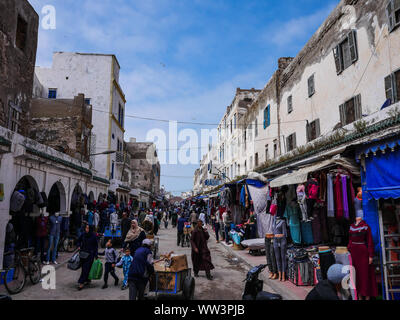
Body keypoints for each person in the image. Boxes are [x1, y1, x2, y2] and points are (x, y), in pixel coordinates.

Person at [76, 224, 98, 291]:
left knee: (86, 268)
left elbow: (96, 246)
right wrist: (79, 246)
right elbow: (78, 241)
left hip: (90, 255)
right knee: (84, 268)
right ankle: (84, 281)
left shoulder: (94, 236)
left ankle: (83, 281)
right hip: (83, 254)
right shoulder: (83, 234)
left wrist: (96, 255)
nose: (87, 229)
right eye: (86, 228)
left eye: (88, 228)